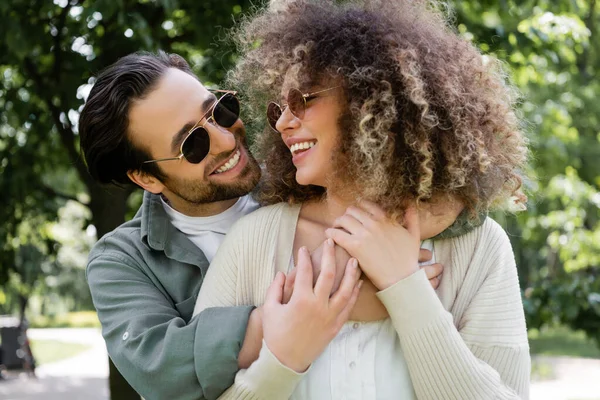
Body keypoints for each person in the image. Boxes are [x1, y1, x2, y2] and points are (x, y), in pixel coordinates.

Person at [193, 0, 531, 399]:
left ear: (368, 97)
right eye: (278, 108)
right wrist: (284, 360)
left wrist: (405, 288)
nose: (284, 121)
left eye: (302, 99)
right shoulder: (251, 242)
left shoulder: (478, 246)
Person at [79, 51, 451, 399]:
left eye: (220, 111)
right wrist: (294, 311)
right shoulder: (121, 261)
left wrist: (445, 203)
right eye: (193, 144)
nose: (226, 140)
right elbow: (159, 369)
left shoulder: (304, 179)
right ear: (147, 178)